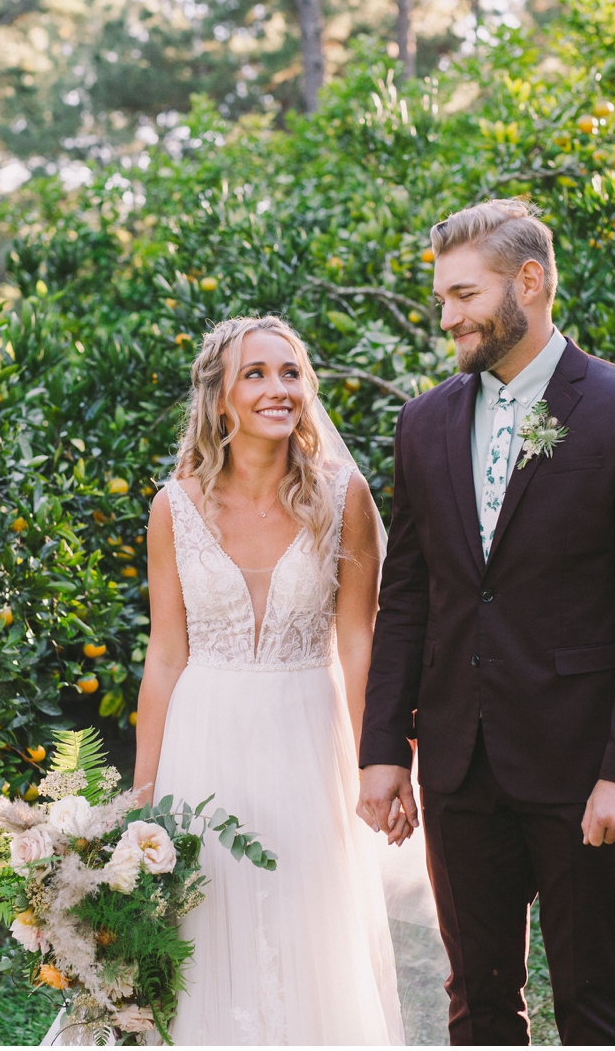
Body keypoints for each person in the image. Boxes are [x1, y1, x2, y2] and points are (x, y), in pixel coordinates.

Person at [357, 198, 615, 1045]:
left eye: (464, 295)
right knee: (476, 1002)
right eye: (442, 299)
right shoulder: (424, 421)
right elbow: (407, 595)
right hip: (459, 769)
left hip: (581, 766)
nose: (448, 318)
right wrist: (382, 751)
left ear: (531, 281)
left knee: (592, 1003)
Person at [126, 315, 406, 1044]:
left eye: (290, 374)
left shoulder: (344, 496)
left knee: (309, 926)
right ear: (220, 397)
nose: (278, 389)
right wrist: (141, 796)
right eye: (255, 374)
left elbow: (358, 643)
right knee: (204, 921)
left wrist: (376, 762)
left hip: (309, 737)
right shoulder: (173, 507)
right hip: (203, 737)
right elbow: (164, 656)